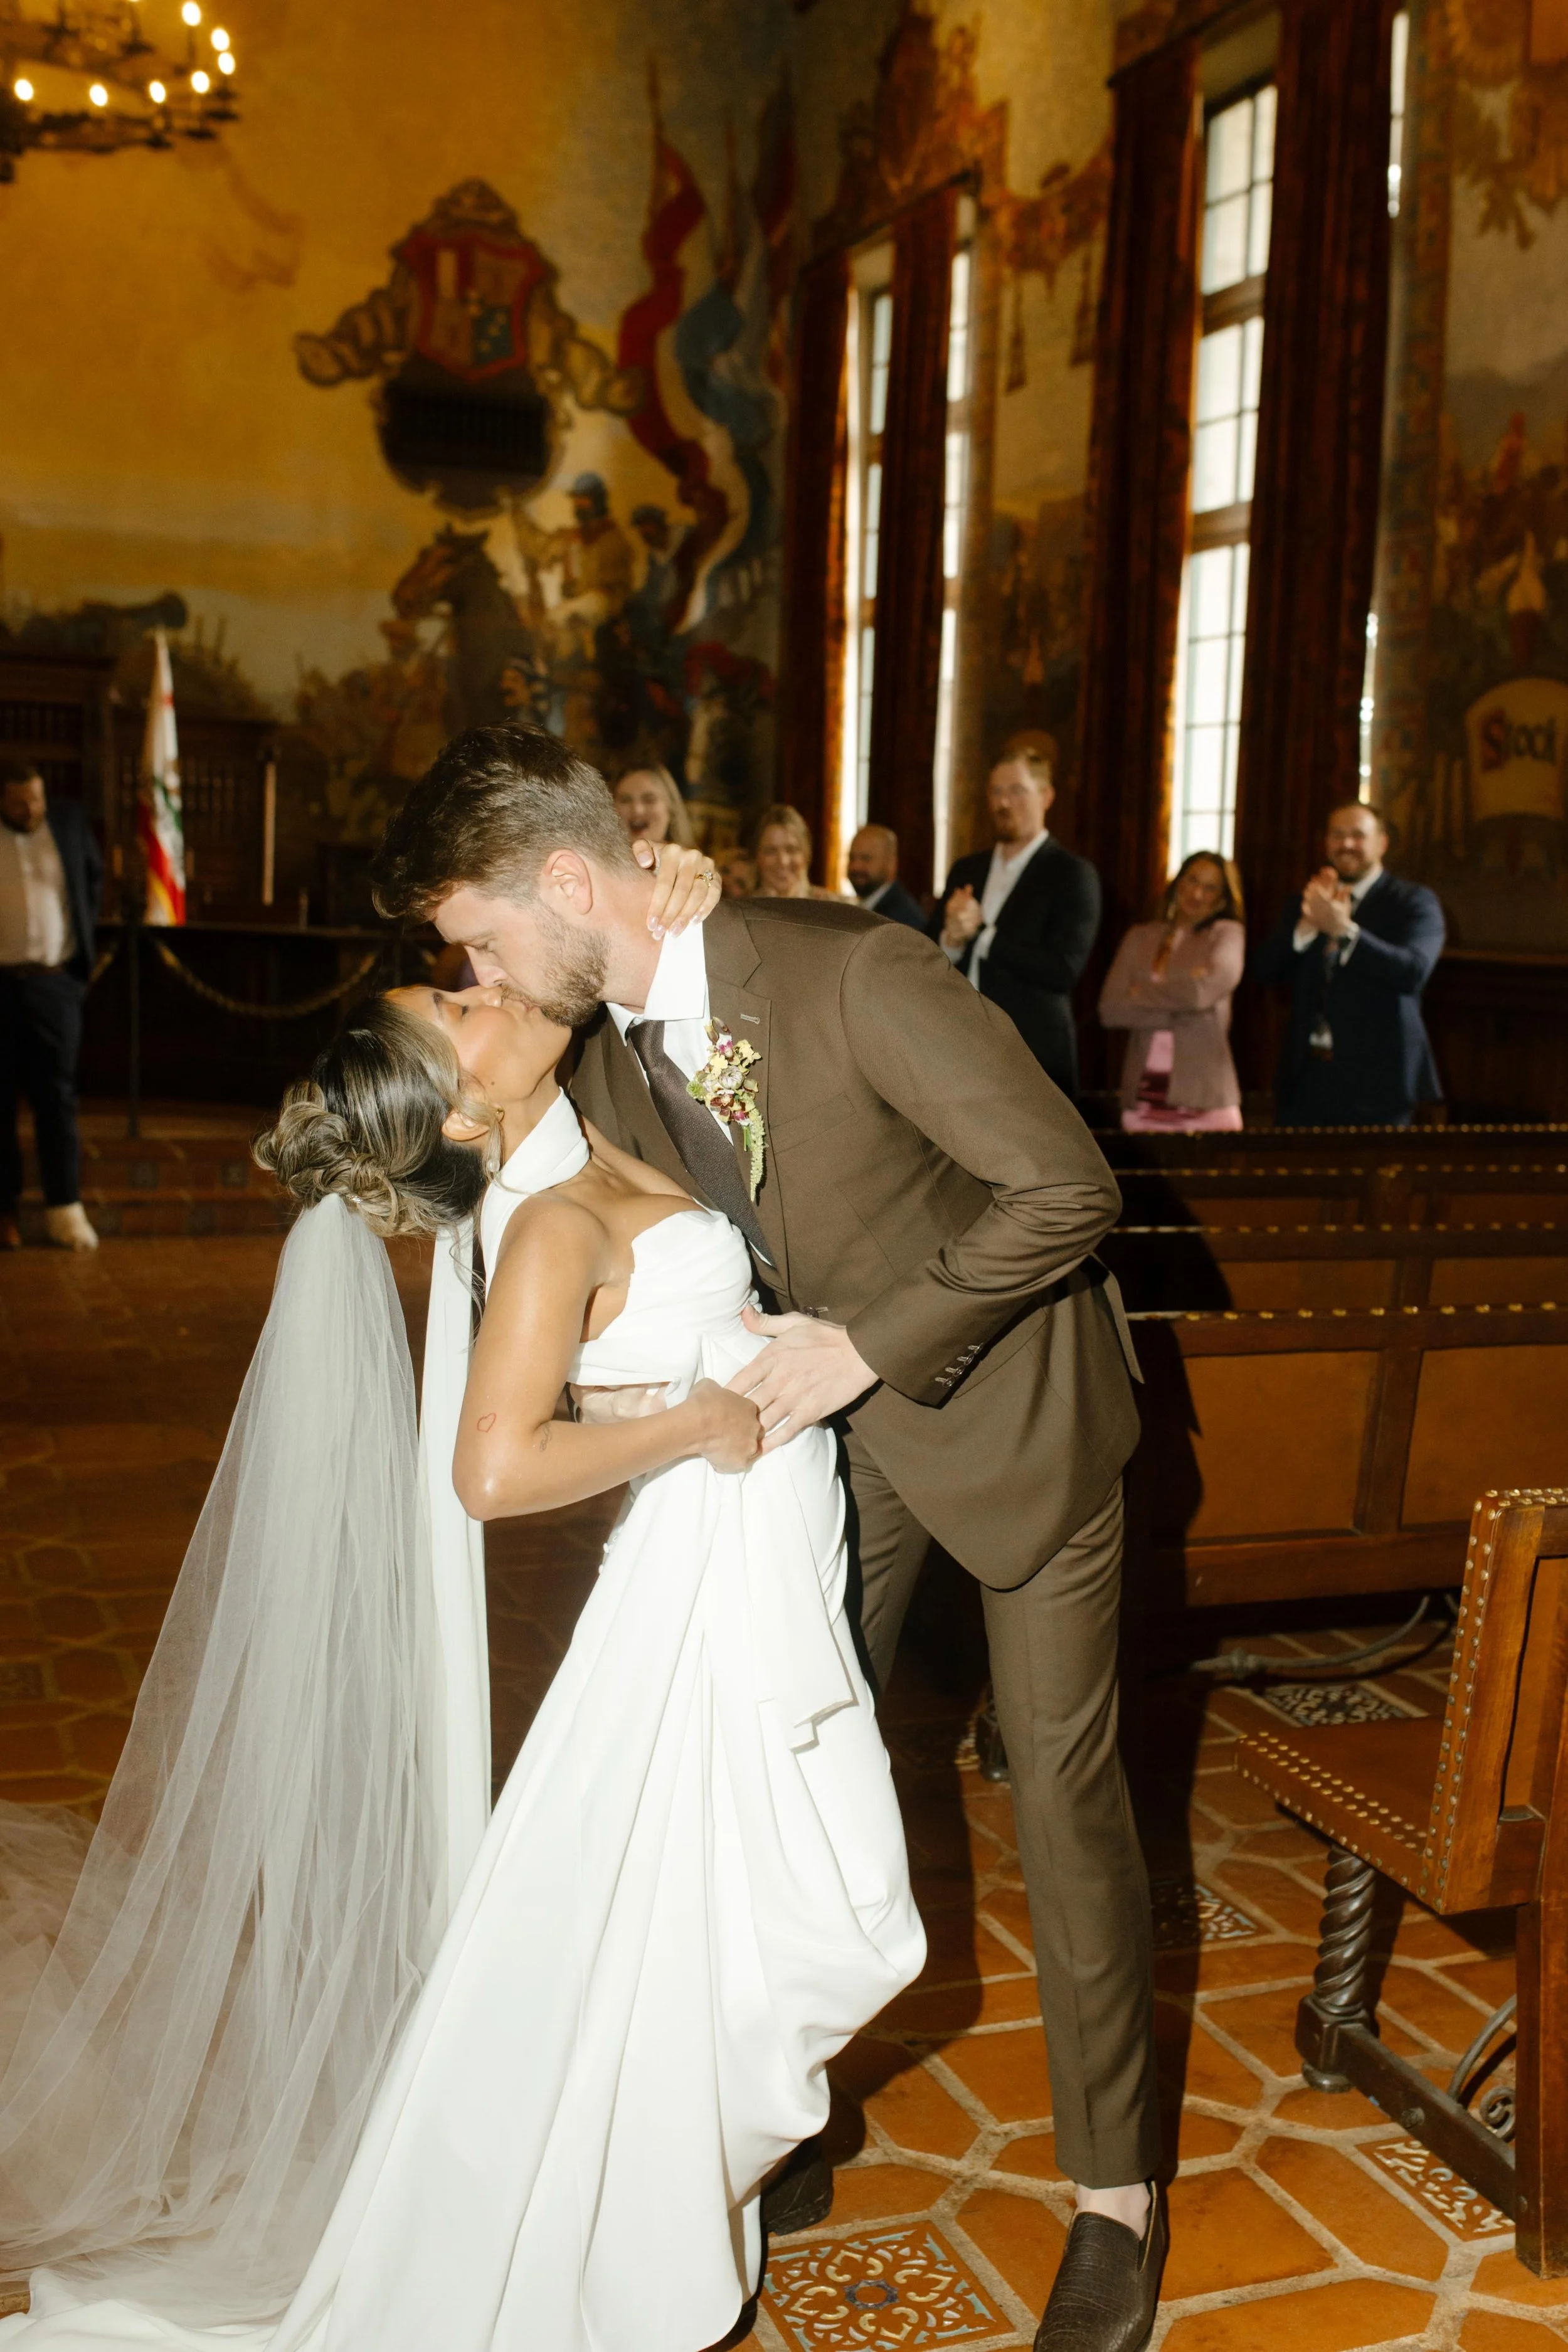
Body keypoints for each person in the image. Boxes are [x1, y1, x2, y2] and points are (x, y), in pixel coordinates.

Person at [370, 724, 1168, 2352]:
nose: (484, 972)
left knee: (1066, 1795)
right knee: (773, 1757)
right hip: (817, 1453)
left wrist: (866, 1342)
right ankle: (780, 2096)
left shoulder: (850, 969)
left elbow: (1066, 1187)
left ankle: (1114, 2200)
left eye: (482, 937)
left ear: (570, 881)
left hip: (1013, 1418)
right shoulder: (599, 1044)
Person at [0, 973, 922, 2351]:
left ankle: (654, 2197)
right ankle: (632, 2222)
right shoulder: (546, 1224)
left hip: (743, 1562)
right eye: (456, 1003)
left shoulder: (572, 1151)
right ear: (457, 1100)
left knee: (724, 1915)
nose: (482, 987)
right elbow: (489, 1470)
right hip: (698, 1582)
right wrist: (697, 1423)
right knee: (809, 1914)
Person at [1253, 801, 1445, 1128]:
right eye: (1337, 835)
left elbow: (1412, 972)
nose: (1346, 844)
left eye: (1358, 835)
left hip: (1379, 1085)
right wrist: (1307, 928)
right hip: (1305, 1079)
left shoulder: (1413, 902)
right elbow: (1264, 971)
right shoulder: (1308, 901)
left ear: (1382, 843)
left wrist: (1343, 932)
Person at [931, 747, 1101, 1098]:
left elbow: (1062, 971)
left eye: (1017, 791)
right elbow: (928, 953)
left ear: (1046, 796)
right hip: (958, 1050)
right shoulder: (967, 870)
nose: (1004, 803)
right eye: (996, 792)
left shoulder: (1071, 875)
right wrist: (951, 938)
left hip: (1032, 1057)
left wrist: (983, 936)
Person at [0, 758, 102, 1253]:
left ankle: (66, 1210)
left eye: (36, 798)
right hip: (0, 983)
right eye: (20, 803)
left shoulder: (68, 821)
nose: (31, 809)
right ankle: (5, 1215)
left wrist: (77, 968)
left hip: (55, 984)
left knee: (57, 1100)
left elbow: (93, 880)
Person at [1099, 853, 1246, 1133]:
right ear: (1177, 882)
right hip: (1142, 1101)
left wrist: (1140, 994)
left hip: (1206, 1101)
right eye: (1191, 880)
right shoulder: (1140, 937)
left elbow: (1200, 995)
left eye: (1210, 887)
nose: (1197, 893)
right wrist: (1190, 1010)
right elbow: (1111, 1009)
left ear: (1223, 899)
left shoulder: (1227, 934)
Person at [845, 823, 926, 930]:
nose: (856, 866)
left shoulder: (901, 920)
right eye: (852, 858)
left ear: (891, 864)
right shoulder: (868, 905)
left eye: (866, 858)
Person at [751, 803, 834, 901]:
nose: (783, 861)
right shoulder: (740, 912)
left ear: (806, 854)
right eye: (771, 851)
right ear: (757, 856)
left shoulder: (832, 909)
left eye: (791, 850)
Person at [612, 761, 695, 850]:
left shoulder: (692, 862)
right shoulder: (598, 861)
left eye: (649, 800)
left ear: (670, 808)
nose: (637, 810)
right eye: (625, 800)